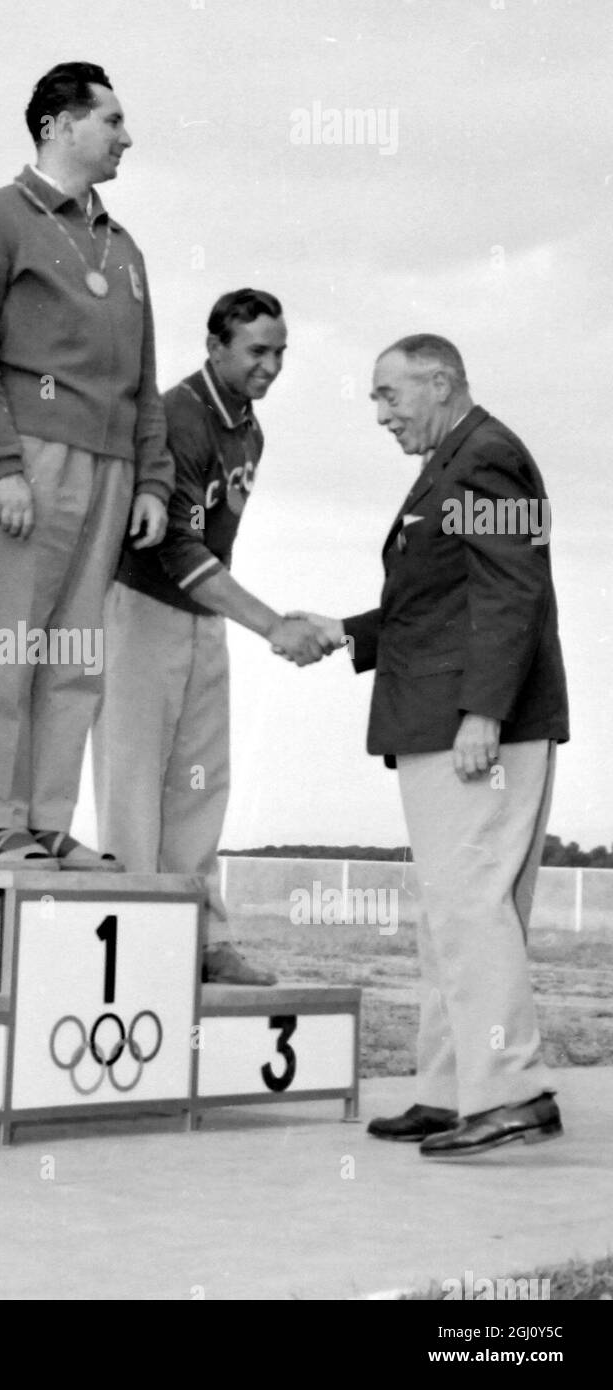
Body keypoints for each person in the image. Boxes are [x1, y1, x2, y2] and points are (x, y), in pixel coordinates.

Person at [297, 334, 568, 1155]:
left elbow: (512, 591)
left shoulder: (487, 458)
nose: (380, 415)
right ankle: (454, 1091)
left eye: (389, 395)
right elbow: (440, 600)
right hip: (443, 718)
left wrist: (482, 714)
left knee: (472, 906)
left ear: (441, 382)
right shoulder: (453, 462)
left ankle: (510, 1092)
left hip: (473, 729)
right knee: (451, 914)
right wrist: (346, 632)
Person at [0, 61, 173, 871]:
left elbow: (145, 379)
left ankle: (46, 817)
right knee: (9, 644)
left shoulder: (126, 245)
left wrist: (152, 479)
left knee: (76, 654)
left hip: (109, 468)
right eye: (111, 119)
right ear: (57, 125)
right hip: (23, 459)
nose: (126, 136)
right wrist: (0, 465)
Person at [93, 289, 329, 985]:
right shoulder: (178, 415)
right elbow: (179, 549)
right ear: (215, 347)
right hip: (141, 606)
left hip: (203, 615)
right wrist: (273, 625)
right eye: (258, 351)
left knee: (202, 783)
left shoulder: (250, 428)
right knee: (134, 784)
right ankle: (136, 943)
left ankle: (201, 937)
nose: (272, 365)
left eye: (280, 351)